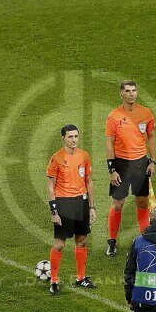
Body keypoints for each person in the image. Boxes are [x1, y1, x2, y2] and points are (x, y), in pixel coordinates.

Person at [105, 80, 156, 256]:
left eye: (134, 90)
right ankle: (112, 241)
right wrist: (112, 170)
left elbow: (151, 136)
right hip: (121, 163)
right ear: (121, 94)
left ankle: (144, 242)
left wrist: (153, 161)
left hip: (140, 163)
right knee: (118, 203)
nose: (131, 94)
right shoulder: (114, 116)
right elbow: (110, 144)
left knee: (142, 202)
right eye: (127, 91)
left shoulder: (146, 113)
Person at [45, 124, 96, 295]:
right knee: (59, 244)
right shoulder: (56, 159)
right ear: (63, 138)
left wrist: (91, 207)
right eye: (70, 137)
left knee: (82, 241)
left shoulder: (84, 155)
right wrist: (54, 211)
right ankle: (54, 280)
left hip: (81, 202)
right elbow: (50, 186)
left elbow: (89, 182)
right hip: (64, 204)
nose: (74, 140)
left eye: (76, 136)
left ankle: (80, 278)